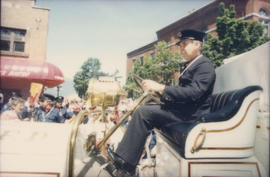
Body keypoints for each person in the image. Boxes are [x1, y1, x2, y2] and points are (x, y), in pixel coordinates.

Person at [107, 29, 216, 177]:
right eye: (180, 45)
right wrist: (159, 94)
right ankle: (126, 161)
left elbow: (194, 92)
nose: (181, 48)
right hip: (184, 112)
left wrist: (162, 88)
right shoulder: (192, 65)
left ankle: (126, 166)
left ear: (197, 44)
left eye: (185, 44)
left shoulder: (204, 65)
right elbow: (183, 93)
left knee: (143, 113)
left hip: (191, 117)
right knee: (146, 108)